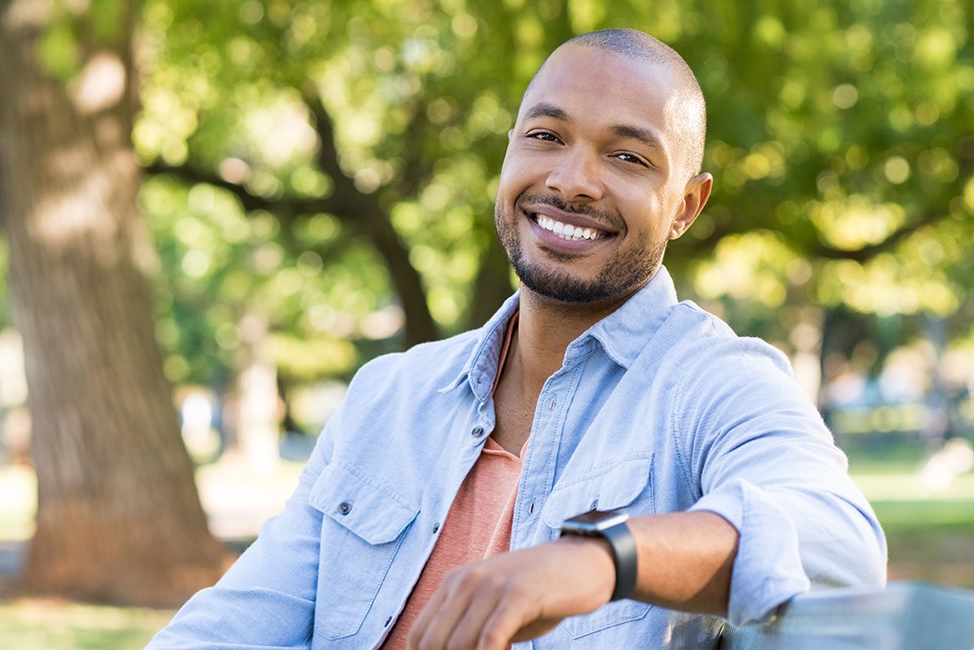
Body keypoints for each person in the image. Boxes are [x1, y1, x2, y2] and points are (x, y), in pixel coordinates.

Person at [147, 28, 886, 649]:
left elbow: (840, 549)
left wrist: (603, 560)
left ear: (686, 206)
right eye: (545, 136)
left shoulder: (714, 384)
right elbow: (235, 625)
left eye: (627, 156)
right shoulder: (389, 395)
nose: (572, 180)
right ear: (508, 154)